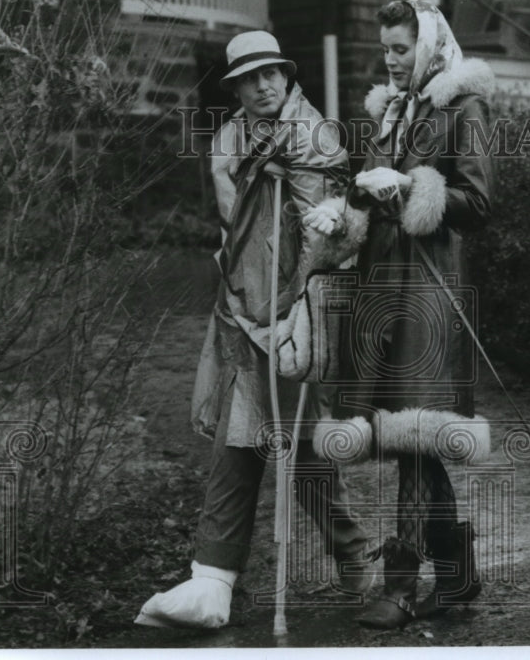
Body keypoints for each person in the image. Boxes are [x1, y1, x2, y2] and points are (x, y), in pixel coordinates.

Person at [136, 31, 373, 629]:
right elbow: (231, 231)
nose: (265, 85)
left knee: (293, 444)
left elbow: (336, 237)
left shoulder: (317, 137)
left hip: (301, 308)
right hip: (244, 309)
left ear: (288, 76)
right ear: (236, 87)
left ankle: (348, 558)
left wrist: (316, 242)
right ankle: (214, 579)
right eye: (251, 77)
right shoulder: (227, 142)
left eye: (273, 73)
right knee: (246, 443)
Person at [304, 0, 495, 630]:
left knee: (414, 434)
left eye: (400, 49)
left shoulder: (466, 107)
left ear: (432, 47)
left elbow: (477, 200)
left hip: (432, 289)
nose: (389, 60)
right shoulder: (391, 110)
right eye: (384, 48)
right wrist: (346, 208)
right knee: (404, 433)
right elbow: (369, 188)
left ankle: (403, 586)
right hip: (382, 284)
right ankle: (458, 574)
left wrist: (413, 186)